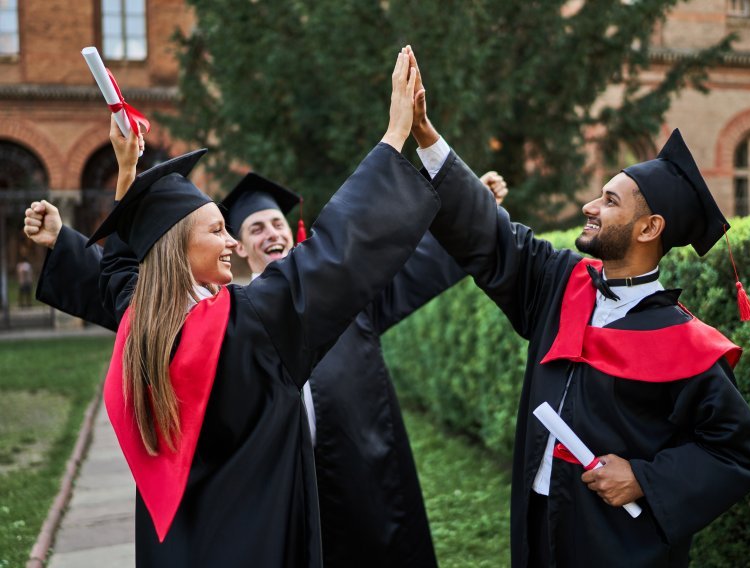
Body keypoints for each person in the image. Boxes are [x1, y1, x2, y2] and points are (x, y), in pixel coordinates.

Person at [49, 49, 457, 567]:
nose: (230, 243)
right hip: (261, 538)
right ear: (178, 250)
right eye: (219, 230)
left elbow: (121, 270)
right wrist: (395, 135)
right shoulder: (248, 324)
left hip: (189, 544)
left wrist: (128, 169)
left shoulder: (141, 324)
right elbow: (339, 248)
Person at [24, 170, 507, 568]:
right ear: (237, 245)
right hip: (272, 485)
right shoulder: (215, 315)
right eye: (254, 228)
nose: (270, 233)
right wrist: (65, 243)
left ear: (294, 231)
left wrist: (471, 211)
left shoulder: (337, 297)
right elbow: (135, 293)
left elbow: (406, 261)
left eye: (277, 223)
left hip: (352, 470)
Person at [405, 49, 750, 567]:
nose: (589, 206)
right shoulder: (561, 282)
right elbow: (488, 236)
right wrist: (425, 134)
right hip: (538, 527)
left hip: (618, 546)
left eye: (609, 200)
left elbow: (739, 453)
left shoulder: (687, 345)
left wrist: (644, 478)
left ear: (649, 229)